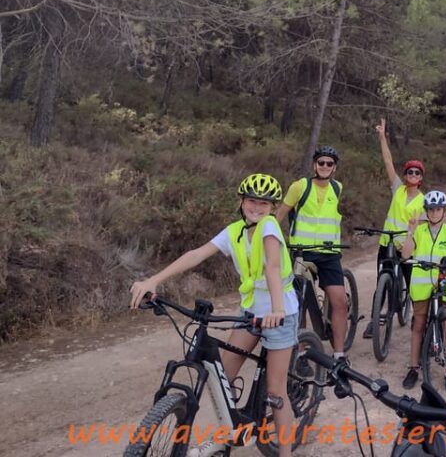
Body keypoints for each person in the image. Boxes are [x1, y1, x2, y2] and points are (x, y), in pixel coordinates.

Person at [129, 174, 296, 457]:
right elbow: (196, 254)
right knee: (222, 376)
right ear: (241, 202)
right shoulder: (234, 232)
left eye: (264, 203)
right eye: (251, 201)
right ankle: (234, 429)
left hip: (281, 313)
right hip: (251, 312)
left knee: (276, 392)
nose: (257, 207)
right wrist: (154, 281)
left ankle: (286, 453)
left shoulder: (269, 228)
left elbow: (272, 267)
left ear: (271, 207)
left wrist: (277, 310)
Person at [275, 146, 348, 360]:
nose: (325, 166)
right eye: (321, 162)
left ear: (334, 168)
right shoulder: (300, 186)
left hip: (329, 253)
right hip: (302, 253)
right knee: (299, 302)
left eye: (329, 163)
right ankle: (300, 351)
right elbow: (279, 214)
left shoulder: (337, 188)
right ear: (314, 164)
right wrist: (269, 240)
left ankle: (339, 354)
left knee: (340, 302)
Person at [362, 117, 425, 339]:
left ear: (421, 179)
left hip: (407, 247)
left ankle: (418, 319)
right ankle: (374, 320)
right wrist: (382, 137)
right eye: (410, 172)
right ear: (405, 175)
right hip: (387, 243)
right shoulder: (398, 189)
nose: (413, 176)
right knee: (383, 281)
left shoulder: (423, 202)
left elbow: (423, 229)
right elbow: (388, 162)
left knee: (413, 285)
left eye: (417, 173)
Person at [399, 190, 446, 389]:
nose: (434, 213)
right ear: (426, 211)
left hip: (441, 285)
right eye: (431, 210)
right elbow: (406, 255)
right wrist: (410, 230)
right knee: (418, 325)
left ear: (444, 211)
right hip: (421, 286)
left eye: (438, 209)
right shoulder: (419, 231)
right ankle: (413, 368)